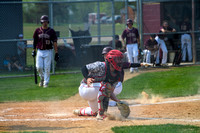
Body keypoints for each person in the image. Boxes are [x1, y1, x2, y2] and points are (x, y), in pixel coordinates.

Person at [73, 49, 142, 120]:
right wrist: (87, 78)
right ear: (111, 60)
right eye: (118, 59)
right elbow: (84, 68)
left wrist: (118, 101)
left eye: (121, 59)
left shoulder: (117, 73)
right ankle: (102, 114)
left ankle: (81, 111)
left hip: (95, 90)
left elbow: (110, 92)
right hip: (86, 88)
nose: (120, 61)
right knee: (105, 86)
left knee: (95, 111)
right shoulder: (101, 65)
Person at [32, 15, 59, 88]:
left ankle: (46, 83)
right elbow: (35, 41)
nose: (45, 23)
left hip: (48, 51)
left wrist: (56, 52)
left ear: (48, 22)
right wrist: (34, 50)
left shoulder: (51, 31)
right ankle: (42, 78)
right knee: (38, 67)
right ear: (41, 22)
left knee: (47, 68)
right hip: (39, 51)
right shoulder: (37, 30)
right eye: (43, 21)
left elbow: (55, 42)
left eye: (46, 21)